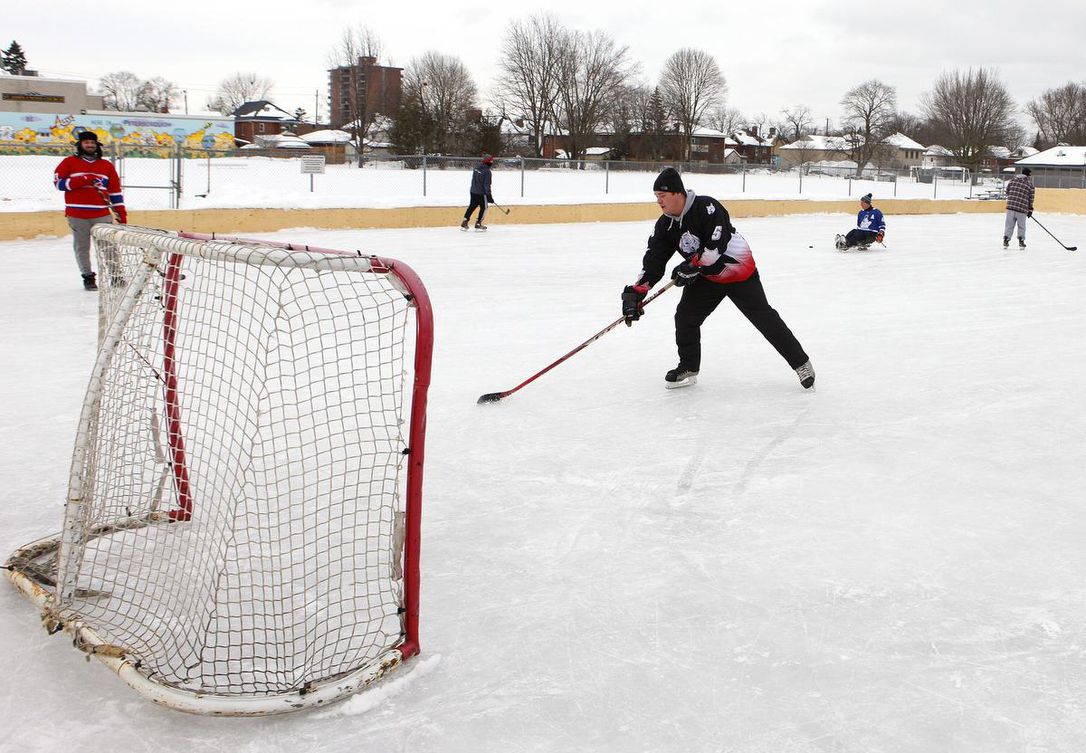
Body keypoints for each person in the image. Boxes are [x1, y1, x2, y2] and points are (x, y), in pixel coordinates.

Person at [621, 167, 814, 390]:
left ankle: (801, 363)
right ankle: (689, 366)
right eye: (656, 197)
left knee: (764, 318)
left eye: (662, 196)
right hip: (706, 278)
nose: (659, 202)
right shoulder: (665, 225)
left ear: (677, 193)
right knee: (685, 317)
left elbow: (715, 248)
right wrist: (637, 291)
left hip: (738, 270)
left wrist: (691, 266)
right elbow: (654, 261)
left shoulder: (707, 207)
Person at [53, 131, 127, 290]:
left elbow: (115, 191)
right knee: (82, 247)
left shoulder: (106, 166)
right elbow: (58, 183)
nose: (90, 145)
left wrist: (121, 213)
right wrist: (82, 179)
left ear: (97, 145)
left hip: (102, 214)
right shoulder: (69, 162)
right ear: (80, 145)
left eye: (92, 143)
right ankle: (88, 277)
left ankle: (116, 276)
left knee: (108, 247)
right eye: (86, 143)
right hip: (77, 215)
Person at [461, 155, 495, 231]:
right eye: (491, 161)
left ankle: (464, 222)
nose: (492, 162)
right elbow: (487, 185)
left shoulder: (476, 168)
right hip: (481, 193)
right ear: (488, 162)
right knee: (484, 208)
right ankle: (478, 223)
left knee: (472, 206)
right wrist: (489, 196)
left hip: (473, 191)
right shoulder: (487, 172)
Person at [1003, 167, 1034, 249]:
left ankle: (1006, 239)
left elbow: (1007, 191)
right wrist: (1030, 209)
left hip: (1010, 207)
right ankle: (1021, 241)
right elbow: (1031, 198)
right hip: (1022, 209)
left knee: (1009, 225)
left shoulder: (1013, 180)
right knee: (1021, 226)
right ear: (1028, 175)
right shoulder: (1029, 184)